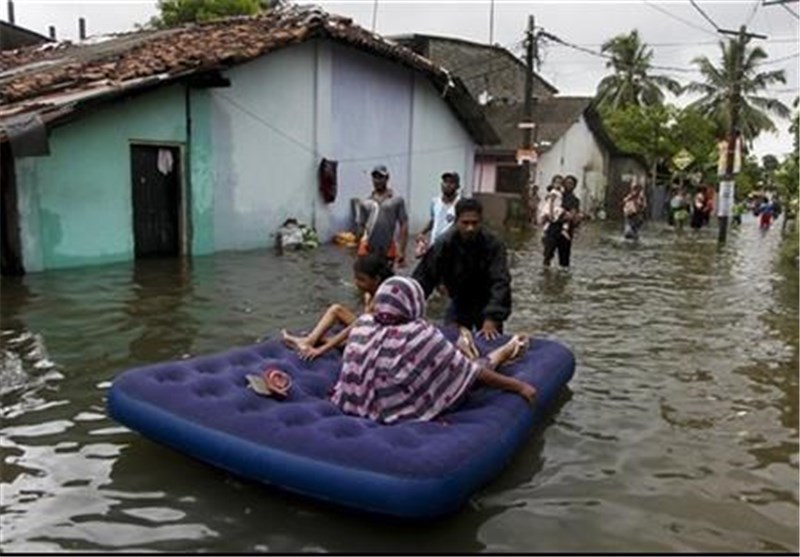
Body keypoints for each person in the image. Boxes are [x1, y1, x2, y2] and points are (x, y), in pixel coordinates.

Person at [329, 276, 536, 424]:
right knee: (469, 371)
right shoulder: (420, 334)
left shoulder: (363, 324)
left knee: (451, 364)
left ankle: (466, 347)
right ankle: (505, 350)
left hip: (355, 404)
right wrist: (519, 386)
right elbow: (471, 373)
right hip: (400, 408)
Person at [412, 197, 511, 340]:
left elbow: (500, 282)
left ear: (481, 221)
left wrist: (492, 318)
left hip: (487, 300)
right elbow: (424, 277)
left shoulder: (494, 244)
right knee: (450, 340)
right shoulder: (444, 244)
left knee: (490, 341)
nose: (470, 228)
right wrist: (411, 311)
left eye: (474, 223)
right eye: (465, 223)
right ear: (456, 221)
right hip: (460, 300)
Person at [281, 254, 393, 360]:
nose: (356, 283)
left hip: (379, 336)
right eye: (356, 278)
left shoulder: (383, 298)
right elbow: (361, 321)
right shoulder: (369, 293)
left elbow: (356, 325)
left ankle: (317, 341)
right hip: (369, 325)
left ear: (376, 279)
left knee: (347, 340)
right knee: (336, 309)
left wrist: (321, 350)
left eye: (361, 280)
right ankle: (310, 341)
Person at [356, 164, 409, 267]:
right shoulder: (365, 202)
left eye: (381, 177)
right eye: (375, 177)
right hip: (369, 248)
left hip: (388, 247)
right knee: (367, 275)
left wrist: (401, 250)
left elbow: (404, 225)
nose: (377, 180)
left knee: (386, 274)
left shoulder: (396, 201)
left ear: (387, 178)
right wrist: (358, 246)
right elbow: (361, 226)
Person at [414, 171, 461, 258]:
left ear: (458, 186)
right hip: (434, 247)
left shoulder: (461, 203)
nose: (447, 185)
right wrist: (422, 233)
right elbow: (433, 220)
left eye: (451, 182)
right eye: (445, 181)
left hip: (452, 250)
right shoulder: (435, 202)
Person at [542, 174, 581, 268]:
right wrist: (548, 215)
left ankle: (563, 275)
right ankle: (546, 272)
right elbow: (548, 205)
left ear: (574, 186)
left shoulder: (575, 200)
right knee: (547, 254)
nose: (568, 185)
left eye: (571, 183)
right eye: (567, 183)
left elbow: (572, 215)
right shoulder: (557, 194)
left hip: (566, 231)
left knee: (564, 259)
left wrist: (562, 217)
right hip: (553, 229)